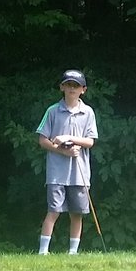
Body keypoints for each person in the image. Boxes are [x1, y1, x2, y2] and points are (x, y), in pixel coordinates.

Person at [36, 69, 98, 255]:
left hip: (79, 174)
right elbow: (42, 140)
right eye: (68, 85)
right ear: (62, 87)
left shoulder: (87, 112)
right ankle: (43, 252)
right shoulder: (53, 111)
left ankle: (73, 253)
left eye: (76, 85)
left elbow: (90, 141)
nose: (72, 88)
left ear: (83, 89)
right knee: (54, 211)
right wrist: (63, 151)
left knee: (77, 214)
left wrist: (68, 138)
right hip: (56, 173)